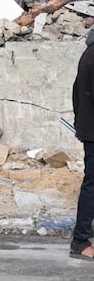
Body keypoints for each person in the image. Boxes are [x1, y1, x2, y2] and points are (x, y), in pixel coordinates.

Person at [71, 27, 94, 261]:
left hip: (89, 131)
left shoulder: (88, 52)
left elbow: (75, 92)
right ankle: (80, 241)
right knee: (92, 186)